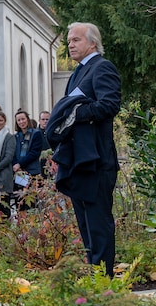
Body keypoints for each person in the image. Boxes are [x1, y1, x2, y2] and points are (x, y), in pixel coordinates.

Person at [46, 22, 122, 273]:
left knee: (98, 225)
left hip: (97, 161)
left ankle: (105, 283)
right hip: (80, 161)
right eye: (69, 40)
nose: (70, 44)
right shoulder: (78, 72)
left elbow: (109, 105)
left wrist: (75, 113)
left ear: (92, 42)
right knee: (86, 227)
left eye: (76, 40)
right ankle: (95, 278)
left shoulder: (103, 68)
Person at [12, 109, 45, 208]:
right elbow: (13, 153)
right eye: (19, 120)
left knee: (32, 200)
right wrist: (15, 165)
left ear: (27, 119)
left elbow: (34, 152)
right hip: (19, 173)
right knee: (21, 200)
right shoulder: (16, 136)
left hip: (32, 171)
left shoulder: (36, 134)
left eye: (23, 119)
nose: (21, 122)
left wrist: (20, 164)